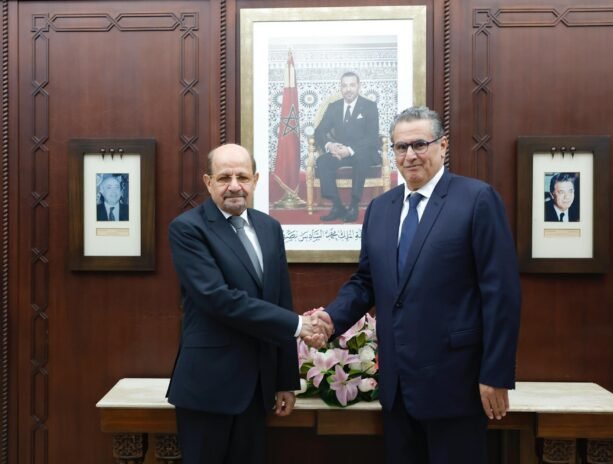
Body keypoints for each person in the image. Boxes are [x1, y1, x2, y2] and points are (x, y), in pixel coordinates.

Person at [308, 107, 521, 464]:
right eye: (400, 147)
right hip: (397, 387)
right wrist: (331, 318)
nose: (410, 155)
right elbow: (366, 281)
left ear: (443, 146)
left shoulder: (477, 200)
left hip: (457, 385)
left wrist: (496, 374)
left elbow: (501, 294)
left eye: (420, 144)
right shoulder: (380, 209)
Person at [166, 143, 330, 464]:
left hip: (257, 390)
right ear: (208, 182)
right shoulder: (188, 229)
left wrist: (285, 381)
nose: (234, 186)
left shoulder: (270, 228)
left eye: (242, 177)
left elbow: (281, 299)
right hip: (208, 388)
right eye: (224, 177)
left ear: (255, 180)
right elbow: (218, 299)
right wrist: (299, 325)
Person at [314, 71, 380, 222]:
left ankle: (353, 205)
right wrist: (330, 145)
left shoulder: (369, 106)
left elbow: (371, 137)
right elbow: (319, 131)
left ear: (358, 86)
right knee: (323, 161)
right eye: (344, 86)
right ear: (341, 88)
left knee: (361, 159)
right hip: (340, 152)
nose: (348, 89)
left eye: (352, 85)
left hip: (364, 152)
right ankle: (337, 205)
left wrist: (349, 151)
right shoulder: (334, 107)